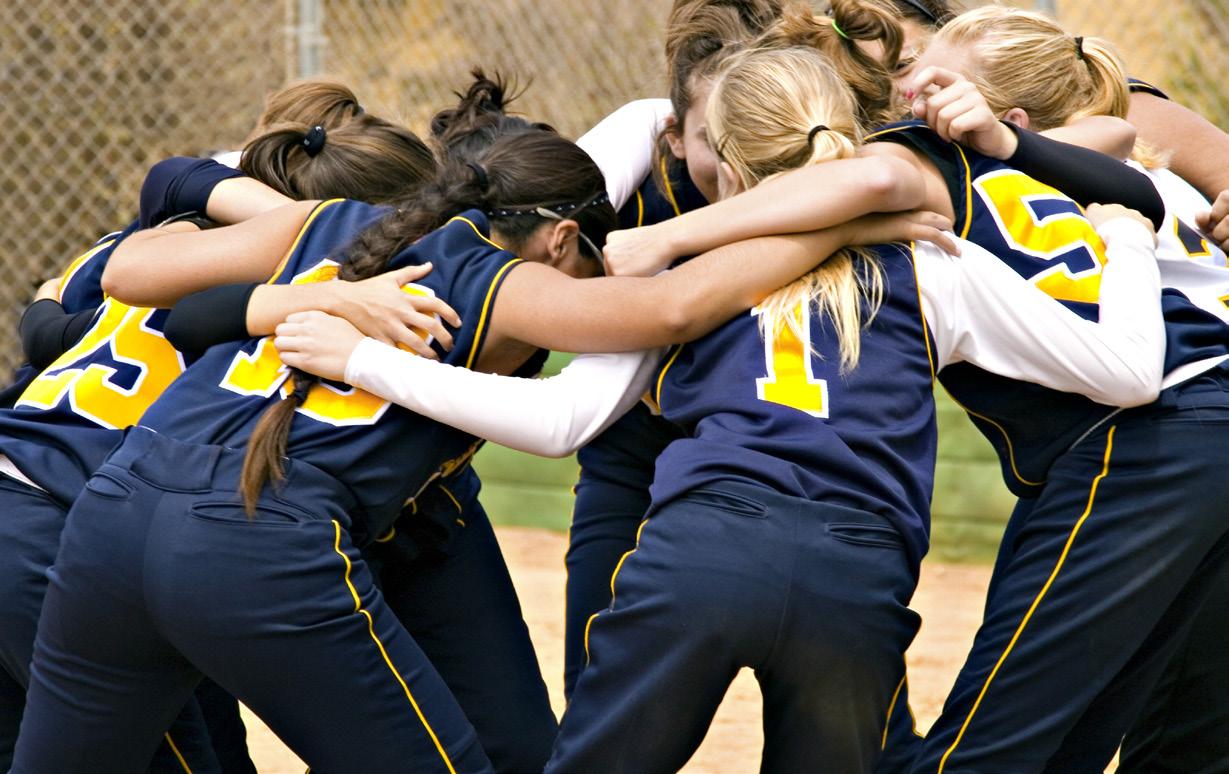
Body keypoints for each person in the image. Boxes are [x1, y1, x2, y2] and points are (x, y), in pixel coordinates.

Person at [270, 45, 1167, 772]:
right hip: (855, 578)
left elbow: (557, 422)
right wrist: (1127, 240)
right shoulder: (932, 261)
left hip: (700, 554)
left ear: (727, 171)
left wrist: (365, 361)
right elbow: (1127, 375)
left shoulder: (678, 278)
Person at [0, 81, 439, 774]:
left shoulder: (161, 240)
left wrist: (44, 310)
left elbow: (49, 331)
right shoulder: (287, 298)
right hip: (54, 530)